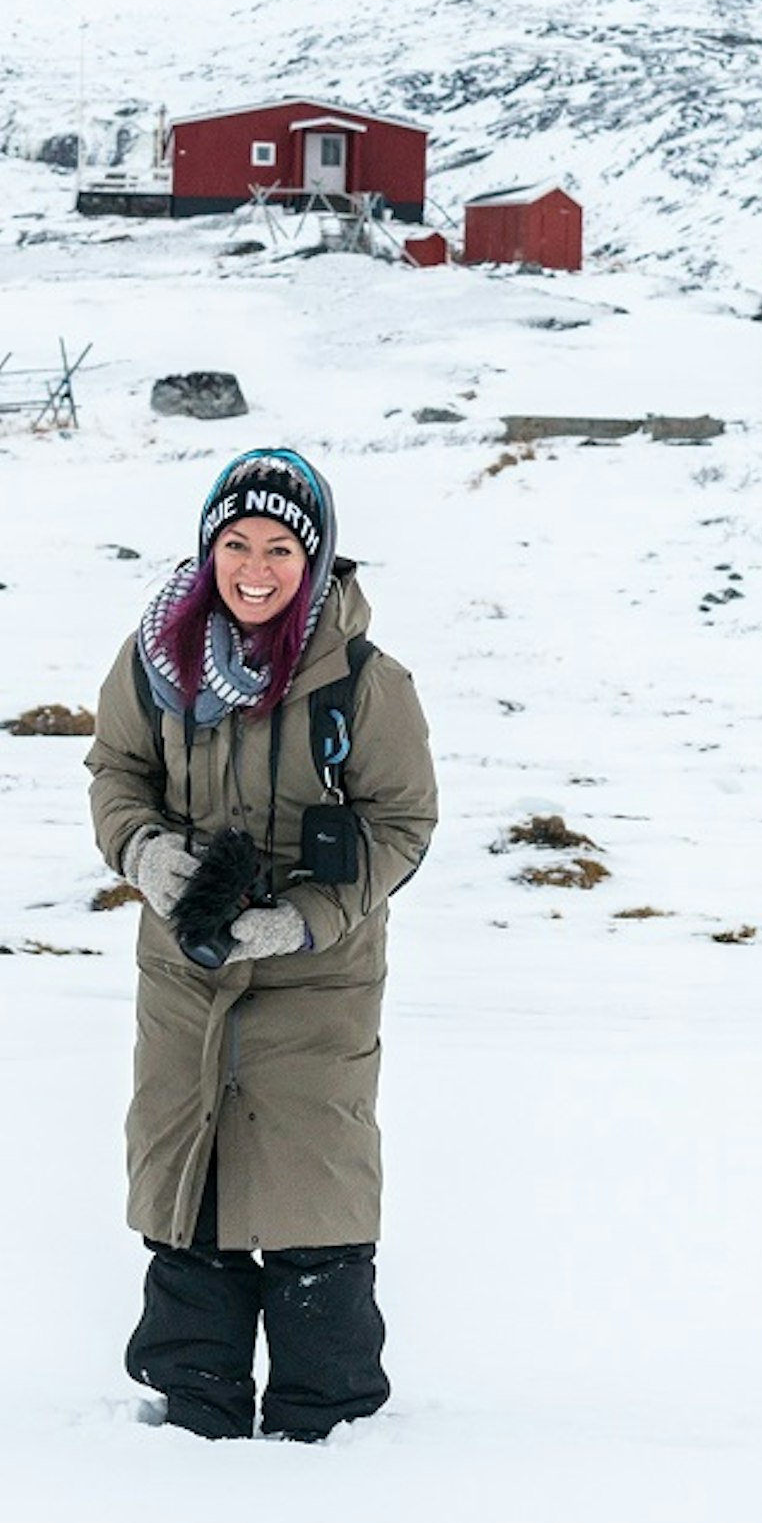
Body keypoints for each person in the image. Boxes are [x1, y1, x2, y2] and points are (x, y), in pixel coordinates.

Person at [86, 446, 439, 1441]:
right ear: (209, 550)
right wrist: (147, 853)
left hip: (316, 983)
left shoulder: (366, 683)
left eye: (278, 545)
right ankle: (188, 1422)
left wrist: (307, 916)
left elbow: (402, 822)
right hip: (185, 975)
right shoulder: (156, 659)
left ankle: (329, 1437)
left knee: (313, 1205)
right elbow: (115, 770)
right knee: (189, 1199)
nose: (253, 565)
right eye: (235, 542)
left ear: (314, 558)